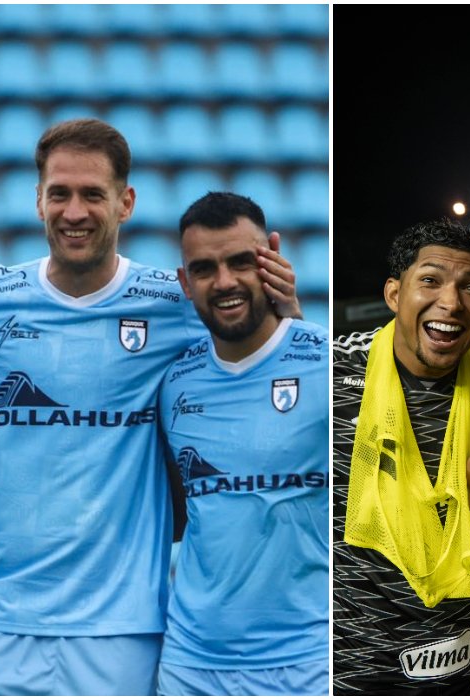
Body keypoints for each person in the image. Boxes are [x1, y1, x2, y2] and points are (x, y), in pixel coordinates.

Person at [0, 119, 303, 696]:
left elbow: (275, 406)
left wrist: (286, 316)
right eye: (60, 193)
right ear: (38, 200)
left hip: (124, 633)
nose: (75, 211)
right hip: (1, 624)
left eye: (93, 194)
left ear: (125, 202)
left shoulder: (177, 303)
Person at [333, 219, 470, 694]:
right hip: (354, 674)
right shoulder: (327, 371)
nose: (452, 303)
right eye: (431, 280)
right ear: (394, 294)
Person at [152, 192, 329, 695]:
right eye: (204, 268)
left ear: (270, 256)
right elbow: (162, 507)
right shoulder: (173, 381)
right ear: (185, 282)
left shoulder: (326, 364)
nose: (224, 281)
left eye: (239, 261)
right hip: (191, 664)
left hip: (309, 663)